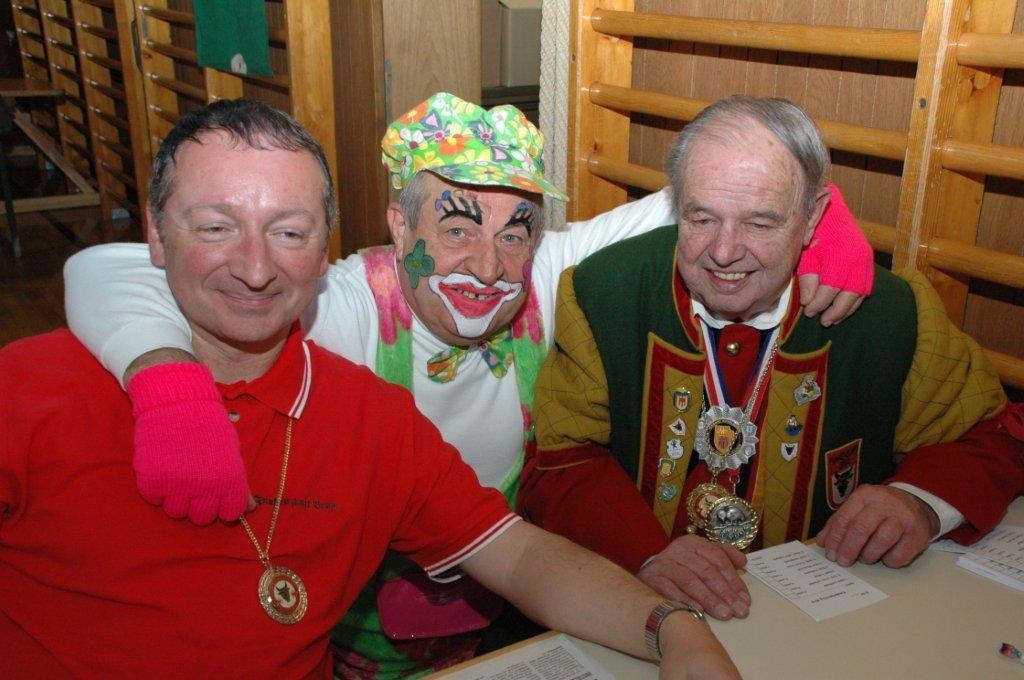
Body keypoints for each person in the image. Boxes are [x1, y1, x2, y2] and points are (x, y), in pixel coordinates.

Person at [62, 92, 871, 677]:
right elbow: (114, 268)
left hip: (511, 613)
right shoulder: (339, 302)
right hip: (354, 642)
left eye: (513, 233)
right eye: (455, 228)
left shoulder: (545, 274)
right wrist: (166, 378)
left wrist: (820, 221)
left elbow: (708, 194)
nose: (488, 266)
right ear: (398, 226)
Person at [521, 95, 1024, 624]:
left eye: (760, 224)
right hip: (644, 609)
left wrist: (918, 501)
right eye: (701, 218)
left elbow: (993, 435)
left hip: (827, 624)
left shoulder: (895, 315)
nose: (723, 252)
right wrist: (641, 551)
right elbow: (561, 459)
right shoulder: (602, 292)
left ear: (813, 218)